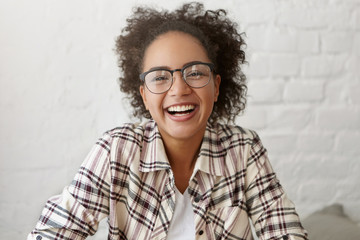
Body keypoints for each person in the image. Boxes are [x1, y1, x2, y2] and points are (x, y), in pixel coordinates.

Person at [28, 2, 308, 240]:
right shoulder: (116, 150)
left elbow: (282, 228)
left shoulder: (244, 149)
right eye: (160, 77)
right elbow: (58, 227)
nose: (179, 89)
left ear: (217, 86)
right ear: (144, 96)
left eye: (195, 73)